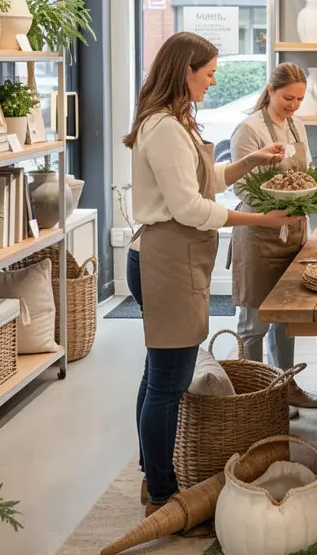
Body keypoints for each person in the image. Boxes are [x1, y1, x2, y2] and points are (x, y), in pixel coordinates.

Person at [124, 32, 293, 514]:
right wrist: (260, 219)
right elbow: (191, 207)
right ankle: (162, 491)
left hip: (173, 257)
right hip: (167, 258)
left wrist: (249, 162)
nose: (214, 80)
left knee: (158, 373)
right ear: (185, 71)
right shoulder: (163, 127)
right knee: (168, 382)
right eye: (210, 72)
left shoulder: (175, 122)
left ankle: (149, 473)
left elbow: (207, 180)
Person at [230, 62, 317, 412]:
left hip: (292, 235)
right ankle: (256, 399)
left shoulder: (297, 125)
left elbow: (306, 175)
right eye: (288, 97)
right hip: (259, 234)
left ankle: (285, 386)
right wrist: (277, 205)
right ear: (270, 90)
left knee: (284, 319)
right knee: (254, 323)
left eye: (300, 99)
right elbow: (242, 185)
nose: (293, 105)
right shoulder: (249, 130)